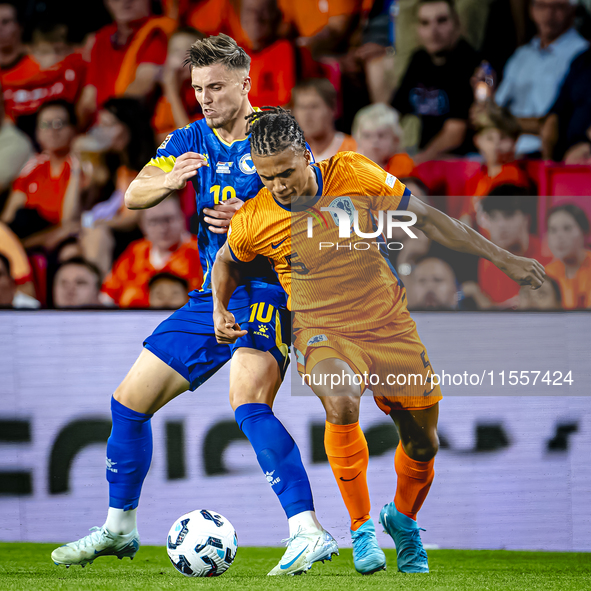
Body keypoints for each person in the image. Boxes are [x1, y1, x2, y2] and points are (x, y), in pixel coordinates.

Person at [211, 107, 545, 574]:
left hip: (389, 326)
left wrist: (503, 258)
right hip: (321, 329)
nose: (280, 186)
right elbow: (225, 261)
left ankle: (402, 520)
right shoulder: (254, 218)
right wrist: (218, 306)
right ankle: (361, 527)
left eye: (286, 172)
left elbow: (427, 219)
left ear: (308, 155)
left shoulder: (354, 172)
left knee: (423, 443)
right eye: (267, 179)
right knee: (342, 398)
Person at [50, 34, 337, 577]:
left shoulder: (275, 132)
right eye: (198, 87)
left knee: (248, 400)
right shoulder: (187, 138)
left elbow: (312, 206)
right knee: (128, 402)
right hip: (213, 293)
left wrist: (253, 218)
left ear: (245, 83)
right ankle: (119, 527)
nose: (205, 97)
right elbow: (135, 194)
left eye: (216, 87)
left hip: (274, 287)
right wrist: (167, 180)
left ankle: (307, 529)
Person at [494, 0, 588, 157]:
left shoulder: (582, 58)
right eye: (542, 6)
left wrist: (509, 122)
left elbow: (558, 122)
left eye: (558, 7)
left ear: (572, 10)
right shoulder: (521, 56)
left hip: (548, 152)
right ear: (531, 10)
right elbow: (497, 105)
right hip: (507, 151)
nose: (548, 14)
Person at [391, 0, 481, 163]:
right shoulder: (419, 59)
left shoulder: (468, 62)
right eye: (425, 23)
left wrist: (420, 161)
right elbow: (394, 113)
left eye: (442, 21)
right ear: (418, 29)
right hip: (425, 154)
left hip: (460, 160)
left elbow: (455, 133)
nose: (433, 31)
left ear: (456, 24)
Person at [77, 0, 175, 127]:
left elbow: (143, 84)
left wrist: (112, 115)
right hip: (101, 129)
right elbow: (88, 99)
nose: (125, 1)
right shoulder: (101, 39)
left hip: (133, 128)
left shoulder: (157, 32)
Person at [1, 100, 81, 251]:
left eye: (59, 124)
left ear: (73, 129)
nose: (52, 131)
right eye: (45, 125)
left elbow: (69, 223)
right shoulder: (33, 166)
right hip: (25, 242)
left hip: (57, 245)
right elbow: (8, 217)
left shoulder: (80, 166)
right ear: (37, 133)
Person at [101, 196, 202, 308]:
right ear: (142, 225)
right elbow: (107, 296)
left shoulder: (202, 253)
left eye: (168, 219)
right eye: (154, 221)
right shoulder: (135, 252)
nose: (163, 228)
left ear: (182, 219)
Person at [463, 194, 550, 308]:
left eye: (509, 215)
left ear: (526, 218)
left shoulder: (548, 254)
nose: (501, 225)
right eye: (493, 217)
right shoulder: (487, 260)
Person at [461, 103, 531, 228]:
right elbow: (466, 216)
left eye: (503, 138)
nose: (496, 145)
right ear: (477, 141)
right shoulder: (478, 176)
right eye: (489, 138)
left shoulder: (513, 177)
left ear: (515, 141)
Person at [152, 27, 203, 143]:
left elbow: (190, 140)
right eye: (176, 51)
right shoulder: (156, 92)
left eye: (190, 53)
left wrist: (172, 92)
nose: (182, 57)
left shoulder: (206, 96)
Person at [292, 78, 356, 162]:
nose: (307, 115)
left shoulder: (355, 151)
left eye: (314, 106)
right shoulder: (294, 155)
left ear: (333, 109)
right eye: (302, 107)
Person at [545, 204, 591, 309]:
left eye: (567, 228)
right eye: (553, 230)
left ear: (584, 232)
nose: (559, 236)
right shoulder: (547, 274)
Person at [352, 103, 414, 177]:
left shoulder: (403, 164)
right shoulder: (351, 165)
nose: (374, 141)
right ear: (357, 139)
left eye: (381, 136)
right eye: (367, 136)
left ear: (395, 140)